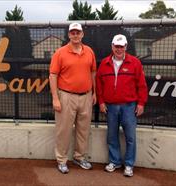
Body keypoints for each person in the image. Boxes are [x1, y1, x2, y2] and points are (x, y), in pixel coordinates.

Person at [96, 34, 148, 177]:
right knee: (112, 136)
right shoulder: (105, 63)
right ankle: (115, 161)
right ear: (112, 46)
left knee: (130, 137)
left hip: (129, 107)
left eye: (121, 46)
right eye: (116, 46)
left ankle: (129, 165)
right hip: (110, 107)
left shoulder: (135, 63)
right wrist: (101, 101)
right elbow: (98, 84)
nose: (119, 49)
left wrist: (141, 103)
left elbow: (142, 85)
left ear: (126, 47)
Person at [49, 22, 97, 174]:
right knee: (64, 130)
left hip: (86, 96)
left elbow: (93, 73)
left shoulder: (89, 51)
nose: (75, 35)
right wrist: (55, 98)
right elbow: (53, 75)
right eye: (73, 32)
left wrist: (94, 92)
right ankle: (61, 160)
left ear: (82, 34)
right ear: (69, 35)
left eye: (78, 32)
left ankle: (79, 157)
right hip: (66, 96)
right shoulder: (60, 53)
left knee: (83, 129)